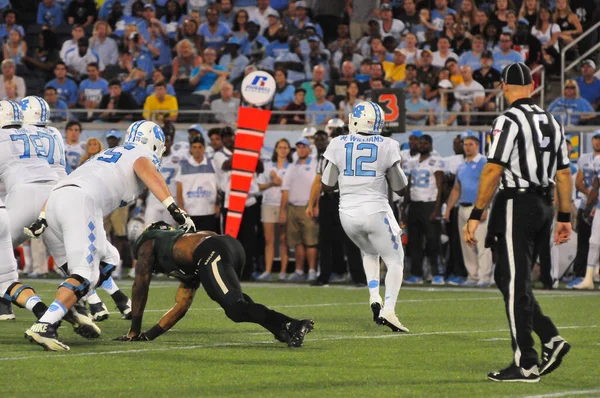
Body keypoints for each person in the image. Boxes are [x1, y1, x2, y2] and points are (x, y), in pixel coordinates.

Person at [23, 120, 196, 351]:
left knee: (110, 257)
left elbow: (66, 182)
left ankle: (71, 304)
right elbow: (147, 172)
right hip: (82, 203)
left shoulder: (106, 154)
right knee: (86, 273)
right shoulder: (140, 154)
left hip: (58, 199)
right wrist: (175, 209)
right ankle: (46, 324)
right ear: (154, 143)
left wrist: (43, 217)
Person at [463, 62, 572, 382]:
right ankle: (549, 336)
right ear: (533, 87)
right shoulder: (552, 121)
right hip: (544, 204)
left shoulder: (508, 119)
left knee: (516, 284)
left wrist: (475, 214)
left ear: (504, 87)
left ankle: (526, 361)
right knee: (508, 279)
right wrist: (564, 217)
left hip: (518, 202)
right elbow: (564, 173)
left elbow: (493, 169)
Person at [116, 222, 314, 347]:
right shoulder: (181, 250)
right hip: (231, 247)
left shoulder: (148, 244)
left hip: (212, 251)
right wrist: (149, 336)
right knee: (239, 304)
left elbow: (139, 287)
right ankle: (281, 329)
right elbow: (181, 305)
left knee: (236, 309)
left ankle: (294, 324)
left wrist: (134, 331)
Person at [320, 101, 409, 332]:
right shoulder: (387, 144)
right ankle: (389, 310)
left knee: (369, 251)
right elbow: (400, 187)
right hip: (375, 211)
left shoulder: (338, 142)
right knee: (395, 261)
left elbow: (327, 185)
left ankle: (373, 296)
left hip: (347, 214)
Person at [444, 135, 492, 286]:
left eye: (470, 144)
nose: (467, 147)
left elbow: (490, 186)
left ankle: (484, 276)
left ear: (477, 146)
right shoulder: (462, 166)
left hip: (477, 207)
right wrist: (448, 209)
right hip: (462, 208)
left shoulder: (484, 163)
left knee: (482, 243)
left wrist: (484, 207)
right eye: (465, 145)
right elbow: (456, 189)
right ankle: (473, 276)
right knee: (467, 244)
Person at [279, 138, 319, 282]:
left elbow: (317, 187)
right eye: (298, 147)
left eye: (303, 147)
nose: (301, 150)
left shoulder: (314, 164)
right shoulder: (292, 165)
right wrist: (283, 210)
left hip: (307, 206)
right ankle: (299, 270)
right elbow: (285, 188)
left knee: (310, 241)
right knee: (297, 242)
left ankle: (312, 270)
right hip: (292, 207)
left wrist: (315, 206)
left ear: (308, 149)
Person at [256, 138, 292, 281]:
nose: (283, 150)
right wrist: (272, 182)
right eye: (280, 147)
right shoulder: (267, 166)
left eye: (285, 147)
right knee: (269, 240)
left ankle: (283, 272)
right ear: (276, 149)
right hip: (268, 204)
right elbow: (258, 186)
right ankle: (268, 270)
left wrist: (279, 181)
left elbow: (290, 187)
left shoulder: (291, 167)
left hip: (284, 205)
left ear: (289, 150)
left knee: (284, 240)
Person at [570, 133, 600, 288]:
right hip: (595, 205)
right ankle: (585, 277)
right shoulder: (591, 159)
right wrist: (590, 204)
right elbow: (594, 185)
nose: (597, 141)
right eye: (596, 138)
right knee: (591, 241)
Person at [175, 136, 220, 232]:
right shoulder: (183, 165)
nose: (197, 150)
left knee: (209, 242)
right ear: (191, 149)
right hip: (190, 213)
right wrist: (181, 207)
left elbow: (217, 186)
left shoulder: (212, 164)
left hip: (209, 212)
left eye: (200, 147)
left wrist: (217, 204)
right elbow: (179, 189)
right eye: (194, 147)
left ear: (204, 149)